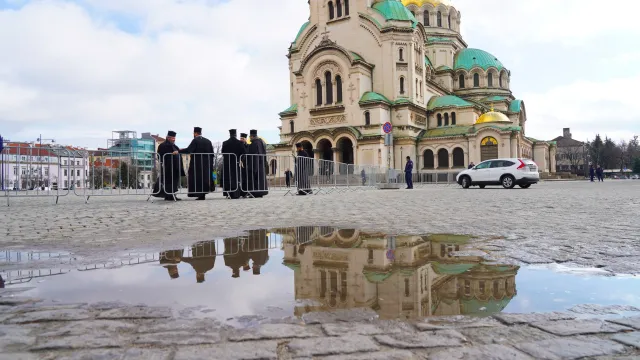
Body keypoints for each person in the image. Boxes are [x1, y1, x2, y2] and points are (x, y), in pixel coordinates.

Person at [152, 131, 185, 201]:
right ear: (168, 137)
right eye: (172, 138)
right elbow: (160, 156)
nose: (174, 139)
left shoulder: (175, 146)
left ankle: (172, 195)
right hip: (168, 167)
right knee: (168, 182)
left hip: (175, 167)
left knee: (174, 182)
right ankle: (169, 195)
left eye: (174, 138)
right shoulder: (163, 145)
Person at [221, 129, 246, 199]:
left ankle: (228, 193)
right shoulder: (239, 143)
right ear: (236, 134)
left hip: (227, 163)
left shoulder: (225, 143)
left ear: (230, 134)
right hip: (236, 163)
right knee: (236, 178)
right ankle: (236, 194)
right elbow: (244, 152)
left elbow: (223, 152)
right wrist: (241, 159)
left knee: (228, 178)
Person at [246, 129, 268, 197]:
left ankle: (255, 193)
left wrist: (254, 168)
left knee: (256, 179)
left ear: (252, 136)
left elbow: (254, 155)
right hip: (260, 164)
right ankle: (260, 193)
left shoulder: (255, 143)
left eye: (250, 137)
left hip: (255, 164)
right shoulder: (261, 142)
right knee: (260, 179)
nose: (249, 138)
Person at [239, 133, 249, 197]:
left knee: (245, 178)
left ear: (245, 139)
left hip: (246, 164)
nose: (241, 139)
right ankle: (240, 192)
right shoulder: (238, 144)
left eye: (243, 138)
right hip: (240, 163)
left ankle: (245, 192)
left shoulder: (248, 146)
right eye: (241, 138)